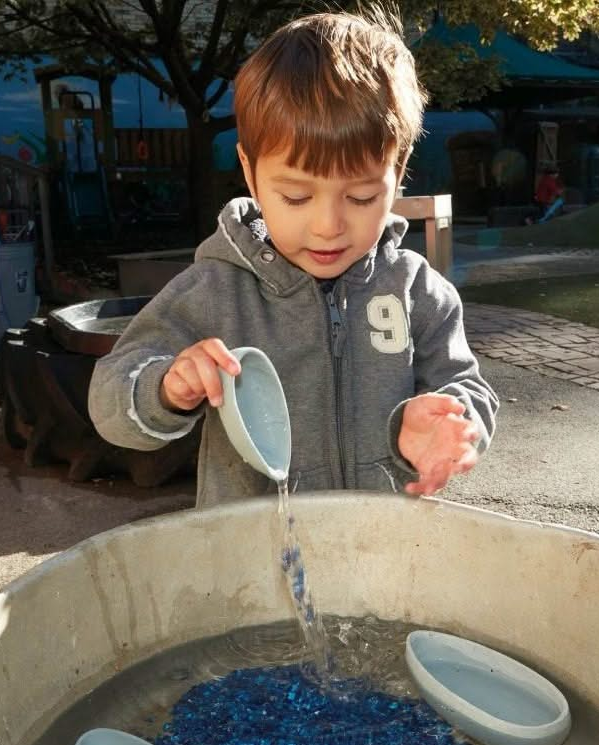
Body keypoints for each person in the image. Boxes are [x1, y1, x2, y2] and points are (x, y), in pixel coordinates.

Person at [88, 11, 498, 508]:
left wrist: (449, 422)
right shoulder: (214, 291)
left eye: (363, 197)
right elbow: (109, 399)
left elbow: (467, 386)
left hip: (383, 547)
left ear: (399, 170)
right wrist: (165, 388)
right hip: (252, 557)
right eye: (297, 198)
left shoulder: (416, 291)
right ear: (250, 171)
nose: (328, 225)